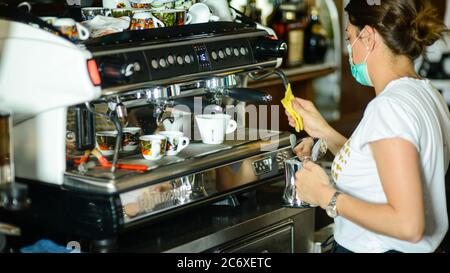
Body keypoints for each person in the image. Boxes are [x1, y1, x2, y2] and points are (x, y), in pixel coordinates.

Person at [286, 0, 450, 253]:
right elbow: (377, 165)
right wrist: (322, 129)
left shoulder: (388, 108)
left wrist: (325, 196)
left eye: (351, 38)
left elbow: (408, 225)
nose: (351, 49)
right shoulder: (427, 94)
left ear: (369, 37)